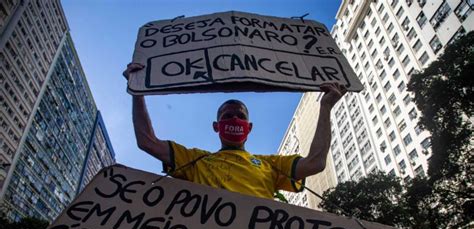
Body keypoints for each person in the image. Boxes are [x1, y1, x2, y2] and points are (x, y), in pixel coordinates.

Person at [123, 63, 347, 200]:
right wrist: (137, 93)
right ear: (216, 126)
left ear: (249, 127)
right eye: (227, 116)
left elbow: (315, 164)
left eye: (241, 116)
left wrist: (325, 107)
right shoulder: (195, 160)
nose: (234, 119)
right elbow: (147, 142)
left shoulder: (271, 164)